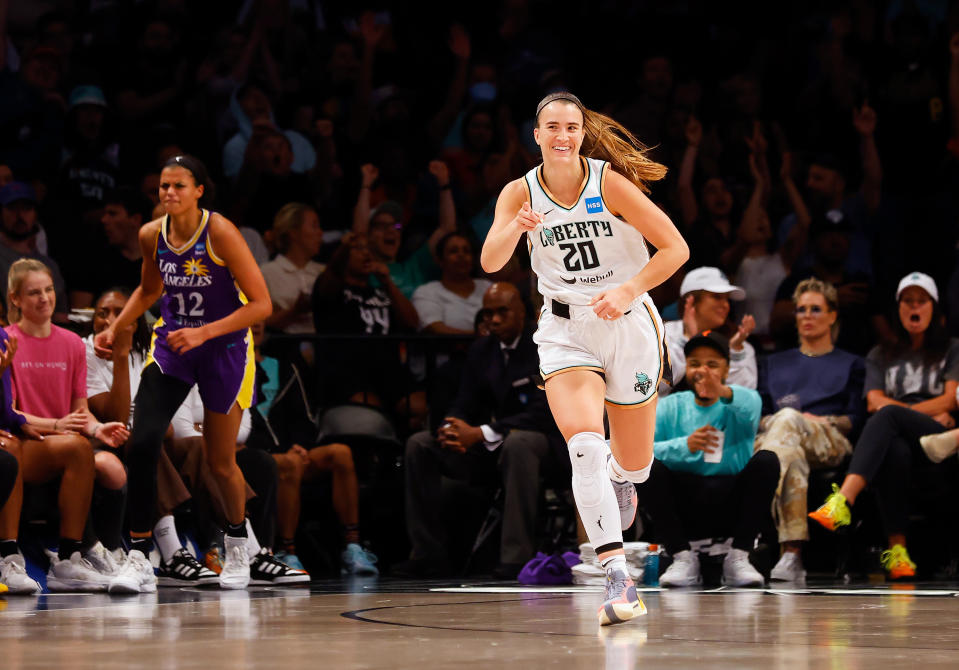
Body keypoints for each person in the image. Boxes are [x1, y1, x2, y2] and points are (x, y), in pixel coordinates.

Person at [481, 92, 688, 625]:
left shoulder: (608, 183)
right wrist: (515, 228)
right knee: (583, 447)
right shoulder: (518, 192)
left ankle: (623, 477)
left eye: (571, 127)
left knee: (634, 464)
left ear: (581, 133)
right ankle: (617, 577)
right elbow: (491, 260)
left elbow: (675, 249)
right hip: (564, 329)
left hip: (626, 322)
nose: (562, 135)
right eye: (552, 126)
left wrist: (629, 289)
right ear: (537, 134)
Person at [94, 155, 272, 591]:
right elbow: (150, 289)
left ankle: (236, 545)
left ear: (198, 191)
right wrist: (117, 328)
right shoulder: (150, 234)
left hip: (224, 350)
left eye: (178, 185)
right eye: (163, 186)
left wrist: (204, 332)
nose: (169, 193)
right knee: (144, 439)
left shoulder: (221, 232)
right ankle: (138, 553)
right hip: (173, 348)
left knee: (221, 462)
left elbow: (262, 305)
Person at [398, 282, 564, 579]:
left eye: (503, 312)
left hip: (544, 445)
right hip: (492, 443)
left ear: (522, 310)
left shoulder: (543, 345)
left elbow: (544, 413)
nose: (495, 320)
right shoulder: (482, 349)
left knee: (520, 444)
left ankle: (516, 557)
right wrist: (453, 426)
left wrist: (483, 432)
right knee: (419, 444)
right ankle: (427, 553)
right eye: (489, 314)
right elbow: (465, 401)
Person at [809, 273, 959, 579]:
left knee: (887, 418)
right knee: (894, 448)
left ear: (934, 308)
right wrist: (901, 415)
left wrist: (900, 414)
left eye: (921, 301)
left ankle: (842, 500)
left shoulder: (952, 349)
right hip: (901, 438)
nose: (914, 307)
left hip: (939, 437)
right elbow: (873, 400)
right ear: (898, 308)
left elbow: (949, 400)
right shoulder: (881, 353)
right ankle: (898, 553)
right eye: (907, 301)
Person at [4, 259, 129, 592]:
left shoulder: (73, 343)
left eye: (48, 290)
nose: (44, 298)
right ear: (15, 299)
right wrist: (58, 424)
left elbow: (80, 412)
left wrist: (97, 428)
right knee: (74, 446)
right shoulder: (7, 341)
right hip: (24, 439)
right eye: (33, 293)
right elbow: (10, 412)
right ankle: (25, 557)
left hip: (62, 441)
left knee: (86, 448)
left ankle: (76, 558)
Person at [85, 287, 220, 587]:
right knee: (143, 442)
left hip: (152, 436)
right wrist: (119, 355)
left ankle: (245, 543)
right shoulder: (86, 351)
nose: (110, 319)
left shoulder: (151, 350)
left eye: (120, 312)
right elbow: (115, 419)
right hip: (109, 440)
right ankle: (171, 553)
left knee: (197, 447)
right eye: (102, 313)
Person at [637, 331, 777, 587]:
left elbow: (748, 406)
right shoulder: (669, 406)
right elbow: (643, 451)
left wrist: (720, 390)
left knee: (767, 460)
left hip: (730, 501)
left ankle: (739, 557)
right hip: (684, 502)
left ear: (726, 369)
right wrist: (685, 445)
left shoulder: (744, 400)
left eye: (712, 364)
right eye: (695, 364)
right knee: (646, 467)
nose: (703, 370)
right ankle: (681, 557)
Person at [245, 321, 377, 576]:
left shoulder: (284, 368)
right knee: (289, 464)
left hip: (291, 452)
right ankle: (287, 551)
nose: (258, 323)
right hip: (256, 456)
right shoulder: (231, 367)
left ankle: (352, 547)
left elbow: (304, 416)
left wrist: (302, 445)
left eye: (261, 316)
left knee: (340, 453)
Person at [755, 279, 865, 582]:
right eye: (801, 309)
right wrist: (788, 421)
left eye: (816, 309)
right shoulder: (774, 363)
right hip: (781, 436)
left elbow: (854, 420)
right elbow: (761, 415)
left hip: (830, 439)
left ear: (832, 315)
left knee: (788, 421)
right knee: (791, 450)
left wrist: (811, 421)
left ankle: (752, 529)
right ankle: (792, 554)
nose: (806, 315)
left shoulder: (852, 363)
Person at [664, 267, 757, 393]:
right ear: (690, 300)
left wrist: (735, 351)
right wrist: (685, 339)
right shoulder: (664, 333)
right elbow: (654, 387)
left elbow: (744, 398)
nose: (725, 305)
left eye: (727, 298)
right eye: (717, 297)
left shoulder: (739, 344)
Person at [260, 202, 325, 335]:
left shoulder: (324, 272)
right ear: (293, 233)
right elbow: (259, 322)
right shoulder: (267, 273)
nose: (320, 233)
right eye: (314, 226)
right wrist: (294, 311)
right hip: (283, 349)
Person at [412, 232, 491, 334]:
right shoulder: (426, 292)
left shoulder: (488, 287)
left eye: (466, 251)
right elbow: (435, 329)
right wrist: (480, 337)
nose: (461, 255)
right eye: (453, 251)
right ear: (440, 260)